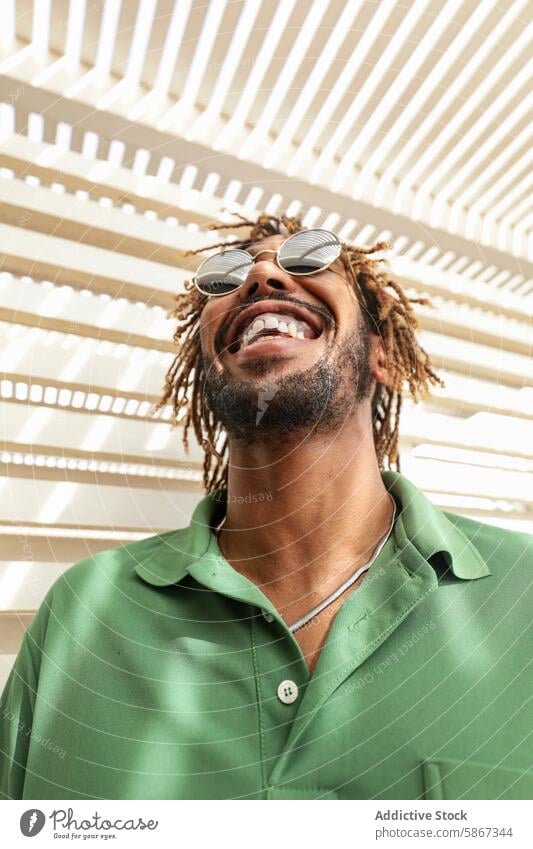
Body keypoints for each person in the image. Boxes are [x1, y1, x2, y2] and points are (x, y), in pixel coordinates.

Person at [1, 214, 531, 801]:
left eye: (309, 261)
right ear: (205, 368)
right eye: (224, 277)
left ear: (380, 355)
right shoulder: (81, 616)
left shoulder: (524, 594)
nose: (260, 274)